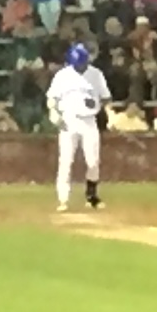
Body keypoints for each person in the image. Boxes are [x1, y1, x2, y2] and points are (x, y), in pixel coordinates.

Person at [45, 38, 110, 211]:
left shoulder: (95, 74)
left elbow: (105, 96)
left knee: (93, 161)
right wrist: (54, 113)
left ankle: (92, 196)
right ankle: (63, 198)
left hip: (89, 120)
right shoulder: (63, 75)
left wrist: (96, 104)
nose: (79, 67)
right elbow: (52, 97)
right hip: (68, 120)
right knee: (66, 160)